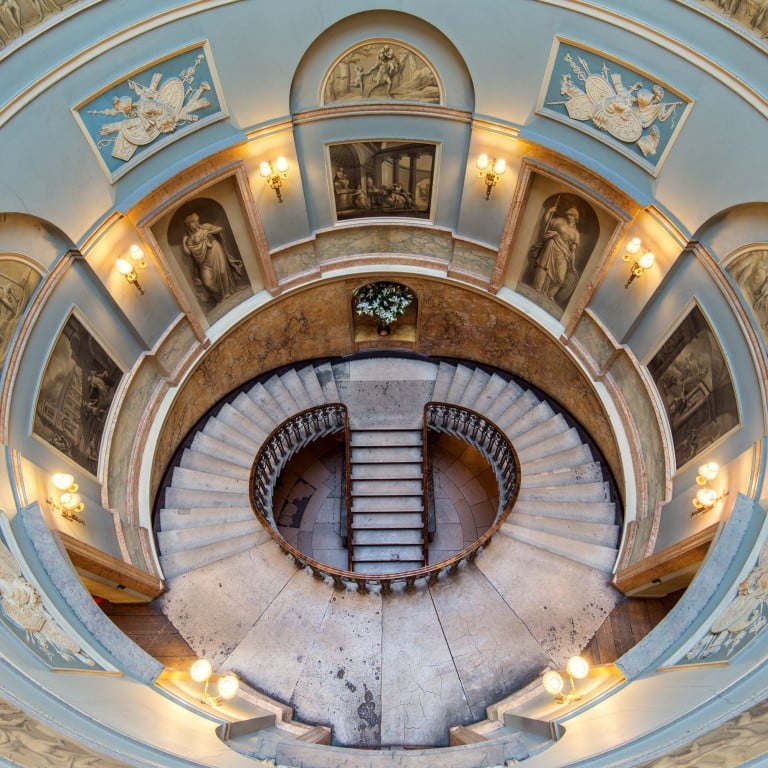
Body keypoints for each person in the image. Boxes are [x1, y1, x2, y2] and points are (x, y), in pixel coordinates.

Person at [182, 213, 243, 305]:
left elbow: (220, 228)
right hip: (204, 261)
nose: (195, 224)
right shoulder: (190, 239)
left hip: (215, 250)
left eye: (195, 221)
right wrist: (184, 242)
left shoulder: (205, 227)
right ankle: (220, 296)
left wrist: (210, 232)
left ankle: (227, 293)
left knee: (222, 271)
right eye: (192, 223)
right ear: (188, 226)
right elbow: (188, 253)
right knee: (208, 283)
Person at [530, 207, 581, 301]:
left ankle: (549, 294)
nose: (569, 216)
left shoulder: (576, 234)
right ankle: (537, 289)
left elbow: (573, 251)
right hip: (552, 245)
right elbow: (547, 222)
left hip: (564, 253)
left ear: (576, 218)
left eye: (572, 215)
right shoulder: (560, 221)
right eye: (568, 214)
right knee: (544, 266)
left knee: (561, 278)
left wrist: (572, 266)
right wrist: (549, 211)